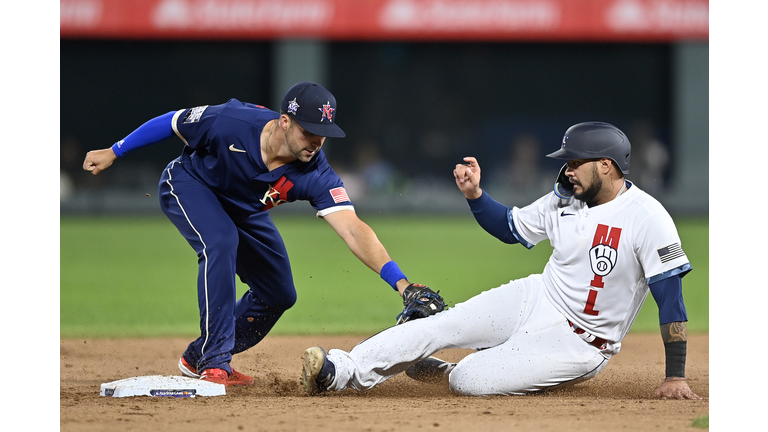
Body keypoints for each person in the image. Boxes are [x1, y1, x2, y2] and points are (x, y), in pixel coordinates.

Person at [300, 121, 701, 400]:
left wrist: (676, 375)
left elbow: (670, 297)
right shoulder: (565, 199)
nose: (568, 169)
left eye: (576, 161)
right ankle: (341, 371)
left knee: (469, 380)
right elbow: (510, 227)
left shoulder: (647, 217)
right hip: (536, 297)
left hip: (580, 343)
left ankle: (447, 371)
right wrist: (476, 195)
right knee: (444, 323)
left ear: (606, 165)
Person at [83, 82, 428, 388]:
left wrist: (402, 283)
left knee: (279, 292)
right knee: (220, 243)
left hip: (244, 209)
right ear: (284, 121)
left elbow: (353, 229)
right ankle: (215, 362)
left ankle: (196, 356)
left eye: (323, 133)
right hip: (190, 184)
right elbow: (173, 121)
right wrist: (114, 151)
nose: (316, 142)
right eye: (309, 131)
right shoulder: (231, 122)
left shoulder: (316, 171)